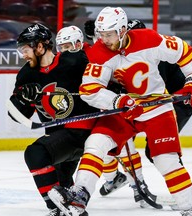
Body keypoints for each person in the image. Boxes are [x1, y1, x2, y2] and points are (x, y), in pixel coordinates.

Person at [48, 6, 192, 216]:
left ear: (123, 30)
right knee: (95, 144)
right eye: (101, 34)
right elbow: (89, 90)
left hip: (157, 108)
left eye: (109, 34)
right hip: (123, 110)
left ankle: (189, 209)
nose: (104, 39)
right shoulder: (99, 52)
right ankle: (79, 197)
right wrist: (117, 101)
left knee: (165, 160)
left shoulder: (149, 39)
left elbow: (183, 51)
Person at [84, 19, 192, 204]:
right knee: (109, 142)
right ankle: (136, 185)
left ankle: (186, 194)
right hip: (136, 106)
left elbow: (156, 85)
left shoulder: (152, 52)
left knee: (162, 153)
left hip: (178, 101)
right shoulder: (112, 53)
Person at [55, 25, 152, 206]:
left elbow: (112, 78)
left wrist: (114, 92)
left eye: (68, 46)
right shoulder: (62, 62)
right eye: (61, 48)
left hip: (106, 108)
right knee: (99, 150)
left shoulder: (92, 55)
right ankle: (113, 178)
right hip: (86, 112)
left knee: (124, 147)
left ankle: (139, 186)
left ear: (77, 43)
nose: (64, 51)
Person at [8, 23, 98, 216]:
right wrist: (24, 99)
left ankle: (57, 209)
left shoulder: (75, 61)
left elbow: (105, 80)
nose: (23, 54)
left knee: (35, 154)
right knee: (60, 180)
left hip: (82, 131)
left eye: (25, 49)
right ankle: (70, 208)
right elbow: (14, 114)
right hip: (58, 137)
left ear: (40, 47)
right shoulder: (26, 74)